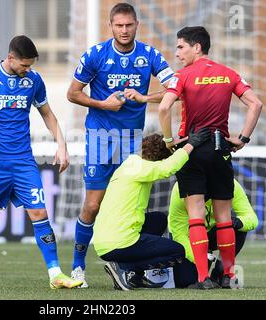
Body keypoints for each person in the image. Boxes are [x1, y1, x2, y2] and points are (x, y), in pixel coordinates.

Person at [0, 35, 82, 290]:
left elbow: (47, 114)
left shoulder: (33, 80)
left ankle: (55, 275)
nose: (28, 70)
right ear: (10, 57)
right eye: (24, 65)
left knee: (40, 213)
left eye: (30, 66)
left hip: (23, 160)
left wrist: (62, 145)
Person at [67, 2, 175, 287]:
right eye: (119, 25)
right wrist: (102, 104)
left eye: (129, 25)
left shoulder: (149, 54)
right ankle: (78, 267)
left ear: (136, 25)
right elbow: (73, 93)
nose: (124, 30)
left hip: (132, 144)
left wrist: (144, 98)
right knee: (92, 205)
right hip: (100, 139)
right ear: (111, 26)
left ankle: (131, 268)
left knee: (133, 208)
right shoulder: (96, 55)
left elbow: (176, 89)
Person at [158, 26, 263, 288]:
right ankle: (228, 276)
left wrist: (170, 141)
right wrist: (243, 139)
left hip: (191, 150)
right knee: (225, 217)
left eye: (181, 46)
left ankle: (203, 278)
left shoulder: (182, 76)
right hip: (220, 150)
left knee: (195, 216)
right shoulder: (228, 74)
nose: (177, 52)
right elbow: (256, 104)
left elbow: (163, 107)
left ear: (197, 47)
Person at [92, 128, 212, 290]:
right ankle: (125, 268)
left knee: (158, 219)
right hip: (120, 243)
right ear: (159, 159)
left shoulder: (130, 163)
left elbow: (162, 161)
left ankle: (135, 276)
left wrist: (174, 143)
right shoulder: (143, 168)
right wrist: (190, 145)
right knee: (177, 251)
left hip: (104, 240)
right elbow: (168, 167)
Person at [168, 179, 259, 288]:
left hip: (214, 234)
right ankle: (204, 268)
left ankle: (221, 273)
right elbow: (179, 234)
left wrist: (239, 222)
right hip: (188, 240)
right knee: (184, 281)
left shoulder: (229, 184)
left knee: (238, 227)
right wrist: (199, 256)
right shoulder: (181, 189)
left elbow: (251, 218)